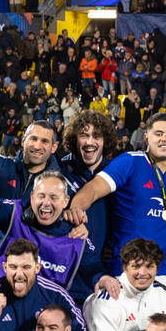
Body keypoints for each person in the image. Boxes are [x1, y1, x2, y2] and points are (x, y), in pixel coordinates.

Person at [66, 112, 166, 286]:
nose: (165, 139)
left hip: (161, 271)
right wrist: (76, 212)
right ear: (147, 138)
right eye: (158, 134)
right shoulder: (129, 162)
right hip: (123, 270)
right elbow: (92, 190)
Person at [0, 162, 100, 297]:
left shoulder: (76, 234)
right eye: (41, 196)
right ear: (33, 196)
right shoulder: (13, 212)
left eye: (54, 197)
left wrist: (103, 278)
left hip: (42, 313)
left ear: (65, 201)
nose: (46, 202)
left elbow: (93, 268)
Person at [59, 110, 123, 262]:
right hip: (68, 262)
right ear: (74, 139)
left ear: (105, 140)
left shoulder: (115, 174)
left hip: (104, 265)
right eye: (84, 135)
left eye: (96, 136)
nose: (89, 142)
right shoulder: (60, 171)